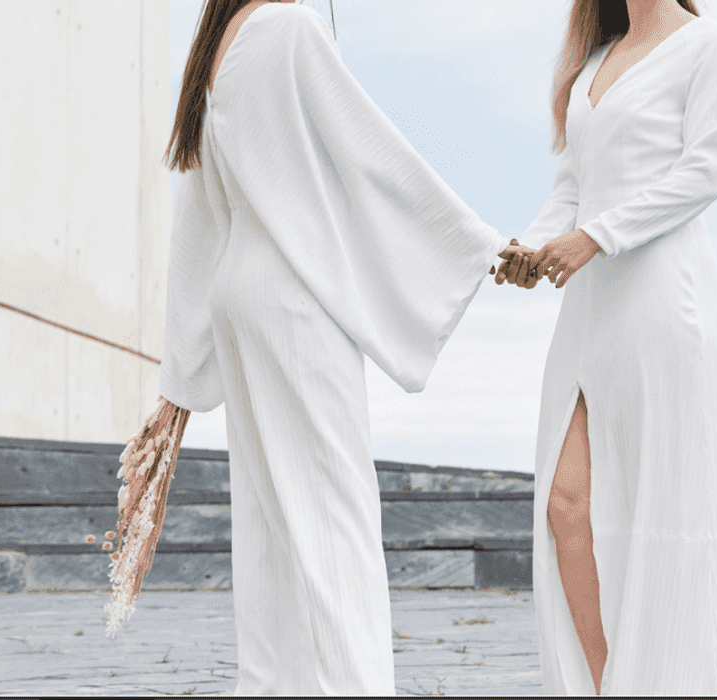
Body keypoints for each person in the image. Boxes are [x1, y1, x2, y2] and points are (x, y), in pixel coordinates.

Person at [158, 0, 522, 693]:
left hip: (240, 290)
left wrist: (180, 363)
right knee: (334, 517)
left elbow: (198, 209)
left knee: (271, 528)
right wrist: (478, 245)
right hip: (292, 292)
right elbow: (370, 154)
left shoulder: (220, 41)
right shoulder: (292, 28)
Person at [495, 0, 717, 694]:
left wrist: (595, 237)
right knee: (564, 503)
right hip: (587, 309)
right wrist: (533, 248)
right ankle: (610, 682)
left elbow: (703, 173)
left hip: (665, 303)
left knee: (673, 507)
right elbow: (572, 188)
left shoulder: (709, 46)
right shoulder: (592, 62)